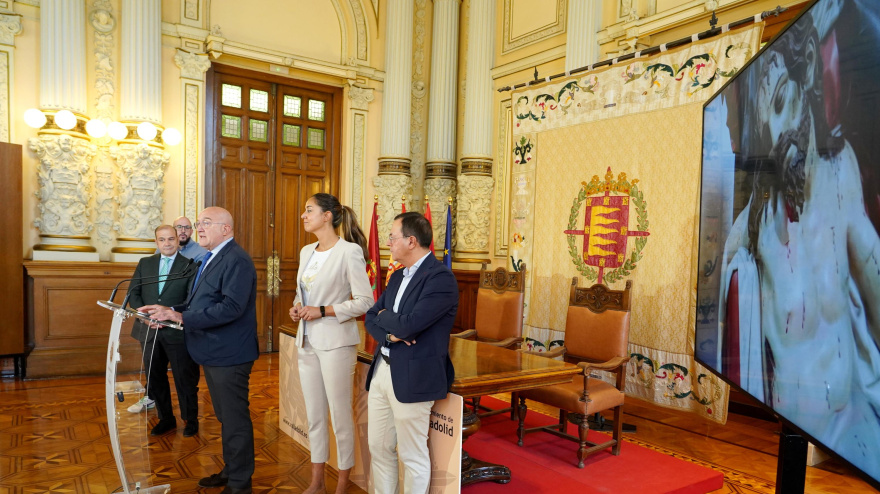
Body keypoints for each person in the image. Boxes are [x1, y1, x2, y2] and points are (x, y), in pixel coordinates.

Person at [717, 3, 880, 479]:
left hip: (858, 429)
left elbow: (874, 280)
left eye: (781, 101)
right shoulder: (751, 235)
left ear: (808, 67)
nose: (774, 134)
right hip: (799, 431)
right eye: (764, 120)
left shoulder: (840, 171)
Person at [141, 207, 259, 494]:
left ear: (226, 229)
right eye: (198, 223)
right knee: (225, 417)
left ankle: (240, 485)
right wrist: (169, 311)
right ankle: (232, 471)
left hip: (230, 353)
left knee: (234, 419)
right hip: (214, 351)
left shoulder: (237, 260)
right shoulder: (210, 257)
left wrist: (181, 317)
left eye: (206, 223)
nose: (199, 228)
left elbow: (231, 308)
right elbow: (200, 303)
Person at [364, 212, 459, 494]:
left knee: (412, 455)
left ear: (411, 241)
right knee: (378, 447)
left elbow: (409, 325)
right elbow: (370, 317)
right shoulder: (396, 277)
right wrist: (390, 334)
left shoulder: (440, 278)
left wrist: (388, 319)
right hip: (383, 369)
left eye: (393, 237)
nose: (388, 242)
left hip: (414, 376)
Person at [288, 193, 373, 494]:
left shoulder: (349, 251)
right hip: (307, 341)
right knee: (314, 416)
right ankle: (317, 482)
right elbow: (303, 293)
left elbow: (365, 301)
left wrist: (323, 311)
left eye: (309, 210)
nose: (303, 215)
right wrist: (297, 307)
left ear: (327, 216)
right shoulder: (306, 251)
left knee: (340, 416)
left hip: (336, 343)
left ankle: (342, 485)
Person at [125, 225, 200, 437]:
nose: (167, 243)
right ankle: (165, 418)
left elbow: (191, 299)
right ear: (156, 242)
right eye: (162, 239)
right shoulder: (145, 263)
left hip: (177, 331)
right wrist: (145, 315)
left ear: (178, 240)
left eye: (171, 239)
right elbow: (134, 292)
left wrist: (168, 314)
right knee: (155, 377)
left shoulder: (190, 265)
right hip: (149, 329)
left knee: (184, 378)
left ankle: (190, 419)